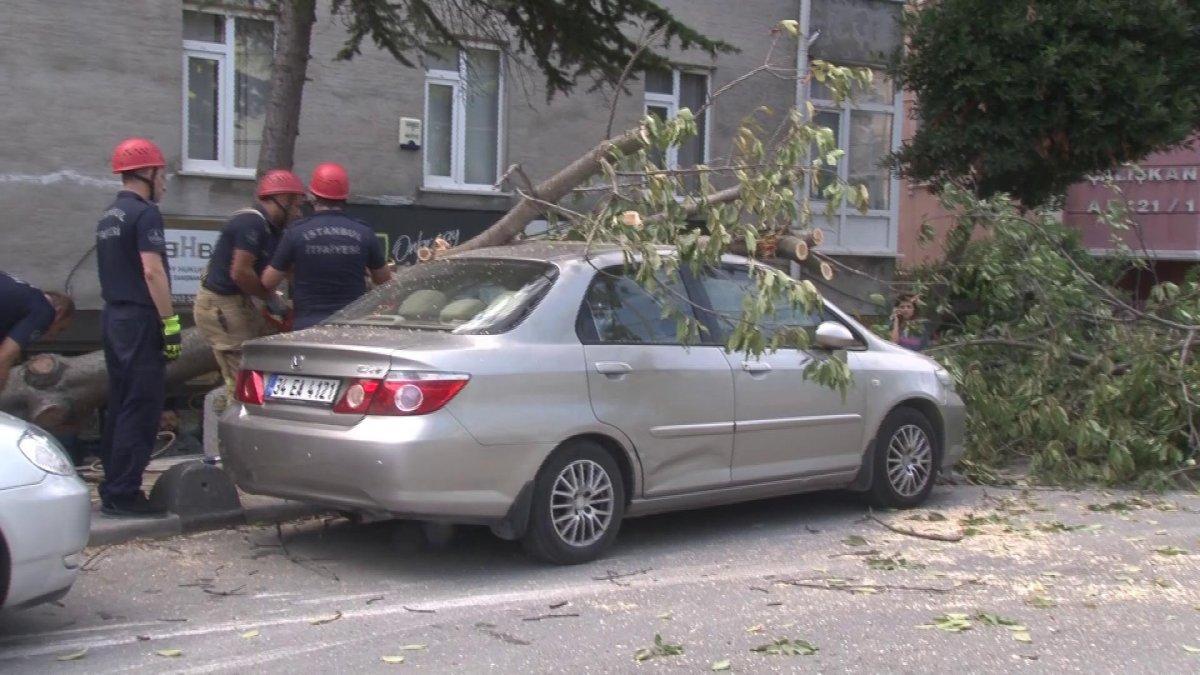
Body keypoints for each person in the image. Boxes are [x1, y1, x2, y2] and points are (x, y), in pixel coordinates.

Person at [95, 137, 177, 517]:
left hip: (114, 317)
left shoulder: (109, 215)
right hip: (141, 318)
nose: (164, 183)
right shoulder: (146, 214)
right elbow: (152, 269)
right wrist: (170, 322)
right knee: (142, 405)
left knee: (120, 402)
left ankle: (112, 483)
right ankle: (125, 492)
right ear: (147, 172)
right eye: (162, 175)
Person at [194, 170, 306, 396]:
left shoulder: (272, 230)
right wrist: (269, 297)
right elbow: (240, 272)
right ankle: (232, 412)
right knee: (242, 375)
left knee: (265, 350)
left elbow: (284, 270)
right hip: (221, 304)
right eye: (295, 205)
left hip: (238, 301)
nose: (297, 212)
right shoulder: (251, 223)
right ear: (282, 200)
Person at [262, 162, 391, 329]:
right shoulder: (364, 232)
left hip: (307, 327)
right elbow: (384, 280)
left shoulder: (296, 233)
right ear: (345, 196)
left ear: (313, 195)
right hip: (349, 328)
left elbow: (268, 281)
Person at [0, 273, 74, 391]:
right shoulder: (45, 311)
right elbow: (4, 357)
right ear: (59, 312)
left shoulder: (23, 298)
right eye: (60, 329)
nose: (52, 337)